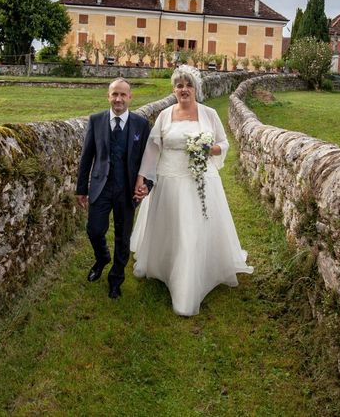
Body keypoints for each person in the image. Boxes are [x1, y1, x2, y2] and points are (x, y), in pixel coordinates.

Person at [130, 65, 253, 316]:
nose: (183, 90)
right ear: (174, 90)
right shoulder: (164, 115)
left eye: (188, 85)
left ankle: (189, 282)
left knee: (192, 227)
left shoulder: (209, 114)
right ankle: (164, 266)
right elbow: (153, 149)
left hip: (200, 179)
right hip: (169, 178)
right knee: (171, 224)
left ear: (196, 88)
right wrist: (142, 178)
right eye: (179, 85)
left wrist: (209, 149)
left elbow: (224, 143)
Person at [76, 78, 152, 299]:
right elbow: (87, 156)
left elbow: (149, 160)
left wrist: (146, 185)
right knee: (94, 230)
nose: (118, 99)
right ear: (108, 96)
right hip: (101, 186)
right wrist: (82, 188)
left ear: (130, 97)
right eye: (114, 94)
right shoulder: (96, 120)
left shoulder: (140, 124)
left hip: (127, 190)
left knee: (123, 237)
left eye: (123, 95)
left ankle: (116, 280)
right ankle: (102, 258)